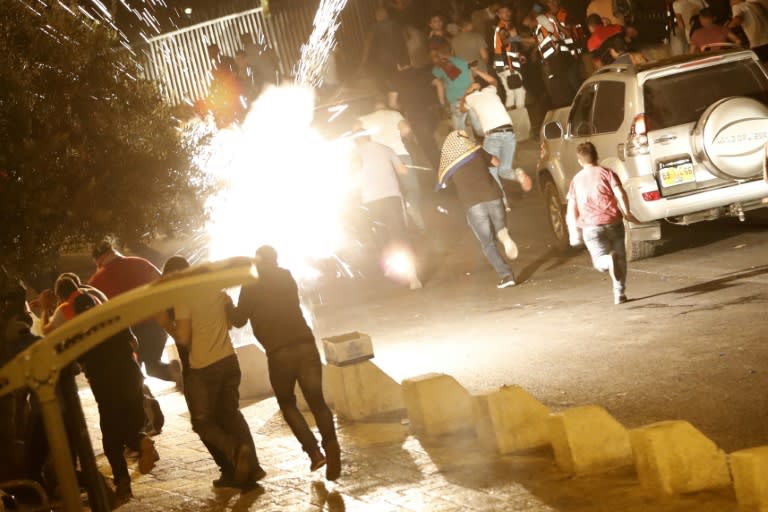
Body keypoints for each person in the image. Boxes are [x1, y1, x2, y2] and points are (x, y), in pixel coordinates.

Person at [227, 245, 341, 481]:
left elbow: (238, 321)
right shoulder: (286, 275)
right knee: (317, 401)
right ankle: (331, 446)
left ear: (257, 262)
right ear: (275, 260)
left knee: (287, 403)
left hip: (279, 353)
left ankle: (314, 452)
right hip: (304, 343)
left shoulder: (250, 285)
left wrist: (228, 304)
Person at [157, 256, 264, 489]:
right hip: (229, 360)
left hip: (201, 368)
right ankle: (250, 470)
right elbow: (226, 325)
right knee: (231, 415)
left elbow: (184, 338)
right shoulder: (216, 289)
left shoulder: (180, 298)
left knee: (203, 422)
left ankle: (234, 457)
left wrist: (166, 323)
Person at [73, 293, 157, 503]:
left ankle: (123, 482)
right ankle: (141, 440)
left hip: (106, 388)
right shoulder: (113, 319)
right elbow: (134, 343)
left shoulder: (81, 334)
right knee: (132, 426)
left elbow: (78, 364)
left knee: (112, 440)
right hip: (131, 379)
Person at [88, 240, 182, 387]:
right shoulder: (140, 263)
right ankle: (174, 373)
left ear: (96, 259)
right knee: (153, 367)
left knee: (132, 377)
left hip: (129, 335)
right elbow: (163, 284)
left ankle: (146, 403)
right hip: (157, 325)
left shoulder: (96, 283)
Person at [437, 130, 519, 289]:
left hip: (473, 204)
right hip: (494, 196)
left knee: (488, 244)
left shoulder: (449, 161)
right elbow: (496, 162)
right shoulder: (476, 150)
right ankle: (503, 233)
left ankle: (506, 275)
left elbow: (444, 184)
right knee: (500, 228)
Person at [566, 142, 639, 305]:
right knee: (620, 258)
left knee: (600, 261)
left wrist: (573, 232)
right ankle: (619, 293)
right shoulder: (607, 173)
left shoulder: (576, 180)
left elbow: (571, 209)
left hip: (591, 227)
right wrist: (627, 213)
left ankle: (607, 261)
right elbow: (620, 193)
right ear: (596, 156)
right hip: (613, 221)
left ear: (580, 160)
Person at [353, 132, 422, 289]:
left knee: (382, 238)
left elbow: (352, 180)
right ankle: (413, 278)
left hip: (370, 202)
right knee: (401, 236)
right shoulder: (385, 149)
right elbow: (402, 171)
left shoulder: (354, 154)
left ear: (355, 141)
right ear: (370, 137)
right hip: (392, 198)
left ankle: (392, 272)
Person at [461, 67, 533, 211]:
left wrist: (466, 92)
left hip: (493, 135)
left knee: (492, 170)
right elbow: (493, 80)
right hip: (509, 133)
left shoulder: (470, 98)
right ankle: (518, 174)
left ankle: (503, 203)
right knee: (504, 169)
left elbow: (462, 109)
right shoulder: (490, 91)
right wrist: (477, 70)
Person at [358, 100, 426, 232]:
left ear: (373, 108)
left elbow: (357, 135)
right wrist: (396, 137)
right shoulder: (394, 114)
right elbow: (406, 129)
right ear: (384, 105)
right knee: (412, 188)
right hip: (400, 155)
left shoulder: (364, 119)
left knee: (387, 193)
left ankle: (394, 227)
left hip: (379, 160)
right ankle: (415, 214)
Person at [493, 5, 529, 109]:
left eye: (508, 11)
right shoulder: (502, 27)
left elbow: (508, 47)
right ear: (498, 15)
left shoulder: (507, 26)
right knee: (520, 92)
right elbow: (505, 41)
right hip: (507, 64)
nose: (507, 13)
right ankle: (520, 118)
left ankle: (511, 119)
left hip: (503, 65)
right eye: (503, 12)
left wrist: (519, 55)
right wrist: (518, 38)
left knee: (511, 93)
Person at [431, 49, 473, 130]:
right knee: (475, 127)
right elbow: (471, 79)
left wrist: (442, 103)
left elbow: (439, 85)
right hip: (470, 96)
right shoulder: (462, 60)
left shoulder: (439, 67)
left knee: (459, 133)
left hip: (456, 100)